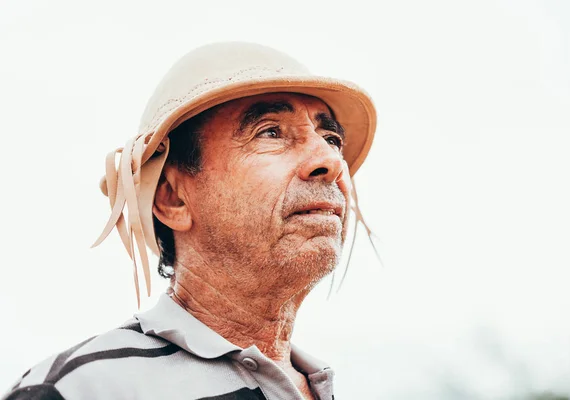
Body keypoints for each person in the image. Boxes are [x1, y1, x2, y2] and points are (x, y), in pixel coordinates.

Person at [3, 42, 377, 400]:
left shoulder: (321, 383)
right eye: (271, 131)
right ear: (172, 198)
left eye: (331, 137)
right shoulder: (79, 390)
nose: (328, 161)